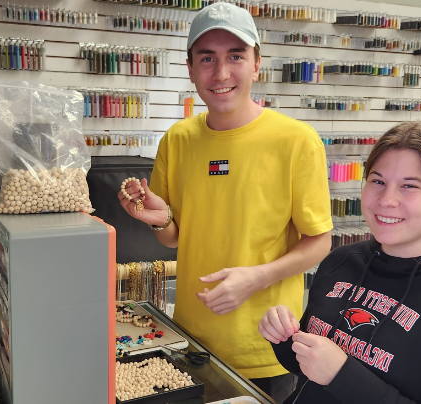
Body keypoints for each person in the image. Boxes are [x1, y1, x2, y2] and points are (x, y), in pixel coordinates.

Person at [117, 2, 333, 401]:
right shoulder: (177, 140)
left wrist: (257, 277)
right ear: (190, 67)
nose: (220, 73)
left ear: (256, 64)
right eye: (207, 58)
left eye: (235, 56)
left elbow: (319, 241)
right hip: (190, 343)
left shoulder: (296, 141)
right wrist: (160, 219)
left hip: (265, 349)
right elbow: (173, 239)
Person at [258, 122, 421, 404]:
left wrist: (343, 376)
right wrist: (286, 337)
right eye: (378, 181)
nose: (387, 200)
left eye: (409, 186)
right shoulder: (341, 261)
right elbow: (310, 371)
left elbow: (335, 375)